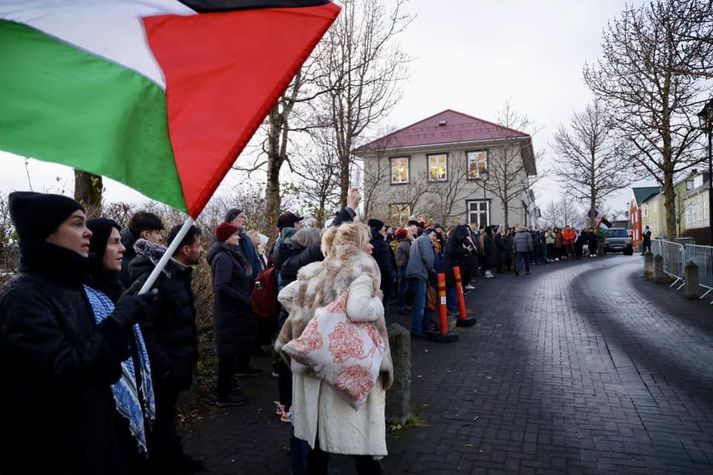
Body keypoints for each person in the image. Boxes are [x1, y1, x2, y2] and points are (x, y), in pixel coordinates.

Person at [0, 192, 155, 475]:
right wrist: (119, 322)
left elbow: (100, 370)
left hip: (93, 438)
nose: (87, 233)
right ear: (47, 233)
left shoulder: (71, 288)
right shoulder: (22, 296)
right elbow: (62, 372)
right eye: (76, 223)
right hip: (59, 452)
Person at [275, 223, 393, 475]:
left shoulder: (313, 272)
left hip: (315, 367)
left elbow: (285, 295)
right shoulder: (362, 272)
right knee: (359, 441)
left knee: (318, 444)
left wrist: (315, 323)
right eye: (367, 241)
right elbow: (359, 310)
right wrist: (378, 302)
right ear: (355, 245)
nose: (372, 246)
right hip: (350, 367)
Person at [129, 224, 205, 474]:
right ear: (185, 249)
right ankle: (164, 463)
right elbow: (145, 327)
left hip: (176, 364)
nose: (202, 250)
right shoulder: (158, 278)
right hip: (165, 369)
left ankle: (174, 457)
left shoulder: (178, 275)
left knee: (168, 416)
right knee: (160, 419)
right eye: (198, 245)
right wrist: (164, 366)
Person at [86, 218, 156, 473]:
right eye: (114, 242)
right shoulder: (83, 297)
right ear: (94, 248)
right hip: (107, 412)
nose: (123, 248)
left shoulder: (115, 288)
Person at [208, 222, 260, 408]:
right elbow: (222, 287)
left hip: (233, 312)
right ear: (226, 237)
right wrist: (245, 301)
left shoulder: (229, 255)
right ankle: (224, 393)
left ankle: (230, 388)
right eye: (235, 235)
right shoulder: (223, 258)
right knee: (227, 354)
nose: (239, 237)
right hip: (229, 313)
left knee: (230, 352)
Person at [405, 229, 438, 337]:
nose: (434, 238)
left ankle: (419, 327)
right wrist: (431, 269)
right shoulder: (424, 240)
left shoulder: (418, 240)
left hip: (413, 272)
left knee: (417, 303)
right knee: (420, 303)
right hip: (419, 273)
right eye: (433, 235)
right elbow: (428, 258)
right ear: (428, 234)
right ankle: (417, 330)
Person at [119, 211, 164, 287]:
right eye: (157, 233)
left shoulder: (132, 255)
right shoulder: (124, 264)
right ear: (146, 234)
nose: (161, 238)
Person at [225, 208, 263, 279]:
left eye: (245, 218)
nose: (244, 220)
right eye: (241, 217)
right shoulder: (225, 239)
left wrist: (259, 276)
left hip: (252, 285)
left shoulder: (247, 239)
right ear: (231, 220)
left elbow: (256, 260)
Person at [368, 219, 397, 305]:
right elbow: (385, 264)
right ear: (379, 229)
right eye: (383, 228)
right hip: (383, 280)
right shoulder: (380, 243)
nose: (385, 229)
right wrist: (392, 277)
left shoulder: (370, 240)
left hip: (375, 279)